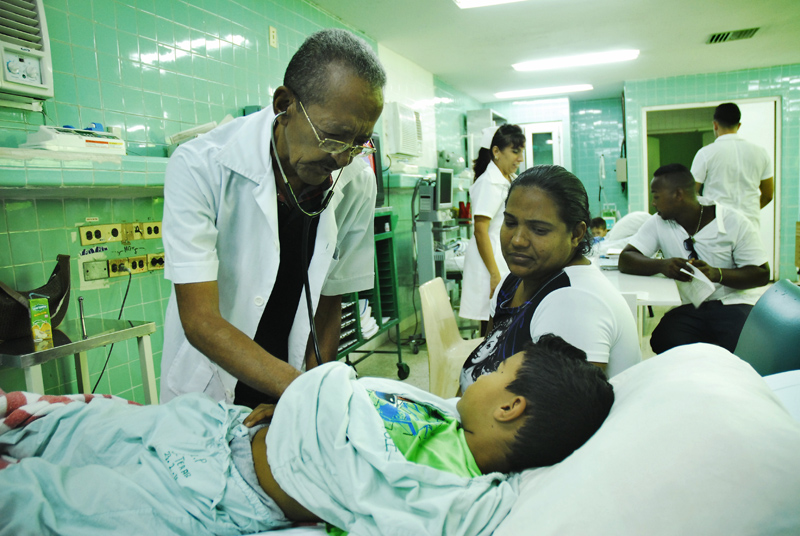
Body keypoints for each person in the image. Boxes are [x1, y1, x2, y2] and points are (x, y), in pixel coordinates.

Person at [0, 335, 614, 536]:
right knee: (83, 425)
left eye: (498, 372)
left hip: (217, 495)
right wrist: (300, 405)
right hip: (223, 429)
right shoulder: (443, 413)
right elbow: (346, 397)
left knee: (52, 503)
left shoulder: (461, 492)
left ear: (509, 406)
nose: (480, 375)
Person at [160, 29, 386, 408]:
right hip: (210, 383)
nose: (343, 158)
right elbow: (200, 320)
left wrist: (308, 401)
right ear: (285, 105)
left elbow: (329, 302)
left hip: (291, 378)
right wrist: (302, 392)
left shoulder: (357, 182)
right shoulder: (200, 166)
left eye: (359, 142)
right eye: (334, 136)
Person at [460, 165, 641, 392]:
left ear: (576, 234)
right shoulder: (511, 283)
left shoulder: (574, 302)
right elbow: (481, 362)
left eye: (538, 229)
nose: (517, 240)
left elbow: (558, 411)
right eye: (511, 223)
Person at [619, 163, 770, 354]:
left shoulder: (734, 222)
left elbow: (762, 273)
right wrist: (662, 265)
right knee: (664, 339)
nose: (653, 203)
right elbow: (626, 258)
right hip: (691, 307)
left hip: (732, 304)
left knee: (742, 344)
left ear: (678, 195)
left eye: (656, 196)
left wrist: (717, 274)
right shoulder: (659, 222)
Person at [459, 124, 525, 334]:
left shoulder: (508, 180)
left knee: (501, 319)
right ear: (496, 151)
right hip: (489, 262)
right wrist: (494, 274)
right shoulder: (488, 182)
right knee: (490, 322)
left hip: (500, 258)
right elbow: (480, 230)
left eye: (521, 152)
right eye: (515, 151)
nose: (520, 158)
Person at [690, 102, 774, 229]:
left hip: (717, 225)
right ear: (739, 126)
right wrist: (747, 212)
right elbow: (768, 195)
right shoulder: (761, 153)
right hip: (749, 225)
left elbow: (691, 192)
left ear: (715, 125)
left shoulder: (705, 153)